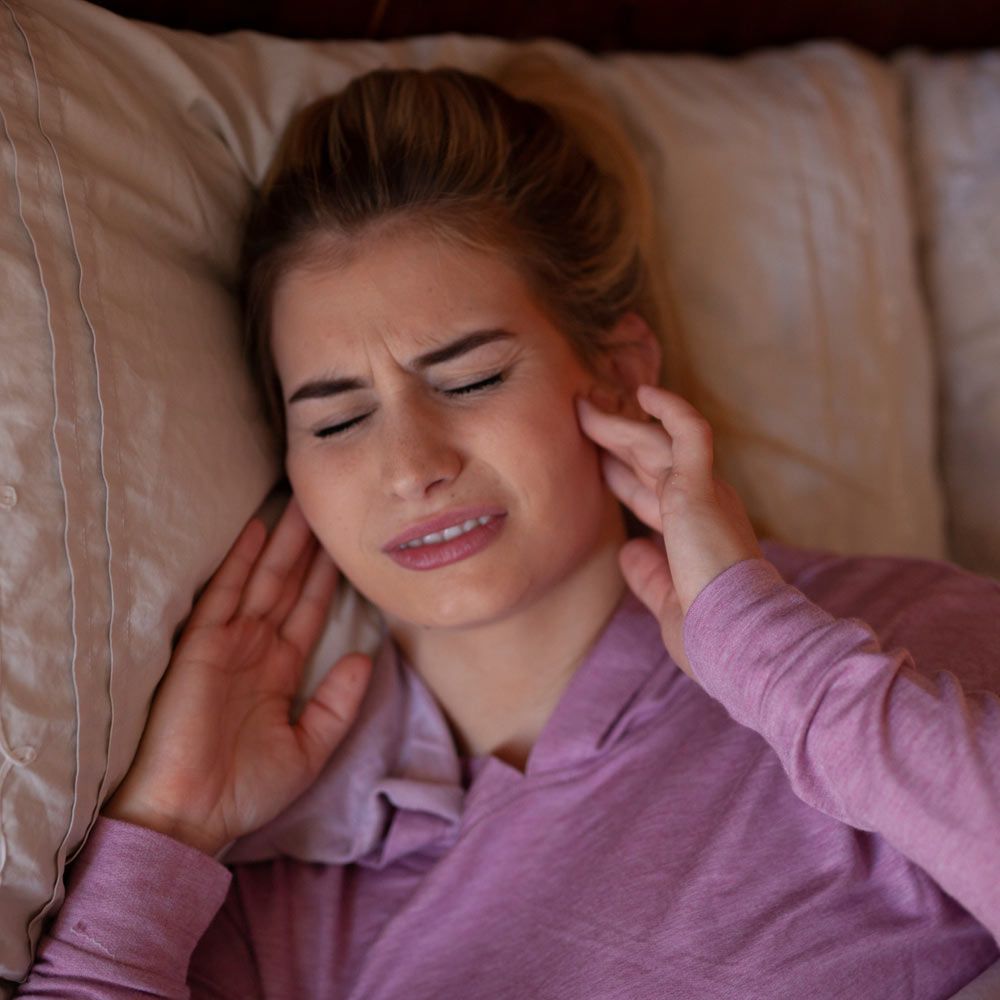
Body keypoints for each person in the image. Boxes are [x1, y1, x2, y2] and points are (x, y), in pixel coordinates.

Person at [18, 64, 1000, 999]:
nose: (411, 465)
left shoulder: (901, 648)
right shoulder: (278, 898)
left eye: (471, 378)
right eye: (339, 420)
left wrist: (770, 658)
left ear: (618, 374)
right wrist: (168, 827)